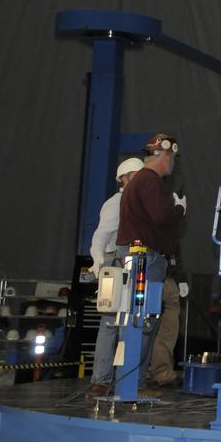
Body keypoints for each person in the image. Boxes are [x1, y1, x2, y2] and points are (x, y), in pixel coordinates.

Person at [92, 133, 187, 396]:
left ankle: (122, 381)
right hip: (144, 259)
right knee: (141, 320)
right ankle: (130, 384)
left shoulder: (137, 185)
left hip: (132, 258)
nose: (173, 164)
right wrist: (179, 210)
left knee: (127, 319)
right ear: (166, 155)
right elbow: (161, 216)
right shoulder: (149, 182)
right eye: (172, 158)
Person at [87, 157, 143, 395]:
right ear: (124, 179)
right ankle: (101, 379)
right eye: (136, 177)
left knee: (126, 324)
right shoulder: (116, 203)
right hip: (114, 263)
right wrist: (98, 261)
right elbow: (101, 235)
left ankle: (123, 380)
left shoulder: (136, 203)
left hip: (129, 263)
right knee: (111, 322)